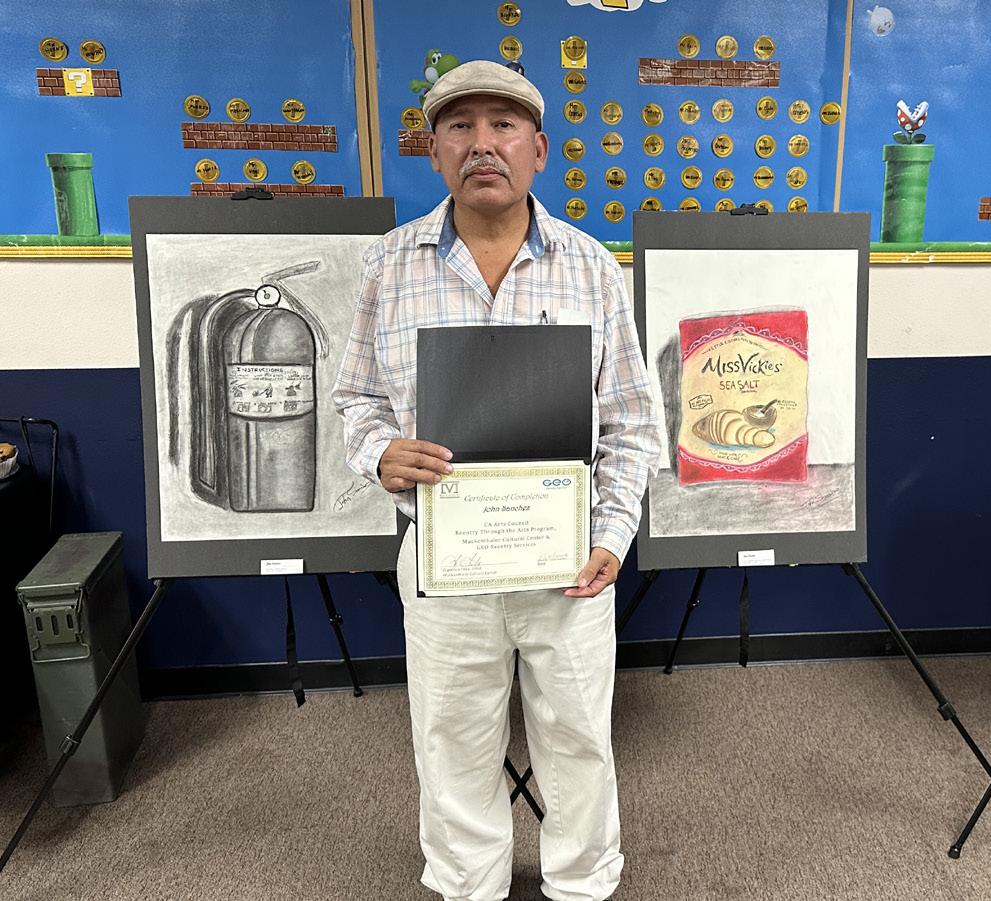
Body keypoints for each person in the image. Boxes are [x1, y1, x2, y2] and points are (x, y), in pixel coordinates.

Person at [333, 60, 659, 901]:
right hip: (444, 557)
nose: (483, 143)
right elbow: (355, 399)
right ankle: (467, 882)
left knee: (578, 734)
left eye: (503, 125)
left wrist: (612, 535)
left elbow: (631, 420)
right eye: (461, 126)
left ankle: (582, 881)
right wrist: (379, 451)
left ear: (538, 149)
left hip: (569, 560)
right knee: (451, 738)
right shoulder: (388, 265)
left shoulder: (591, 267)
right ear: (434, 150)